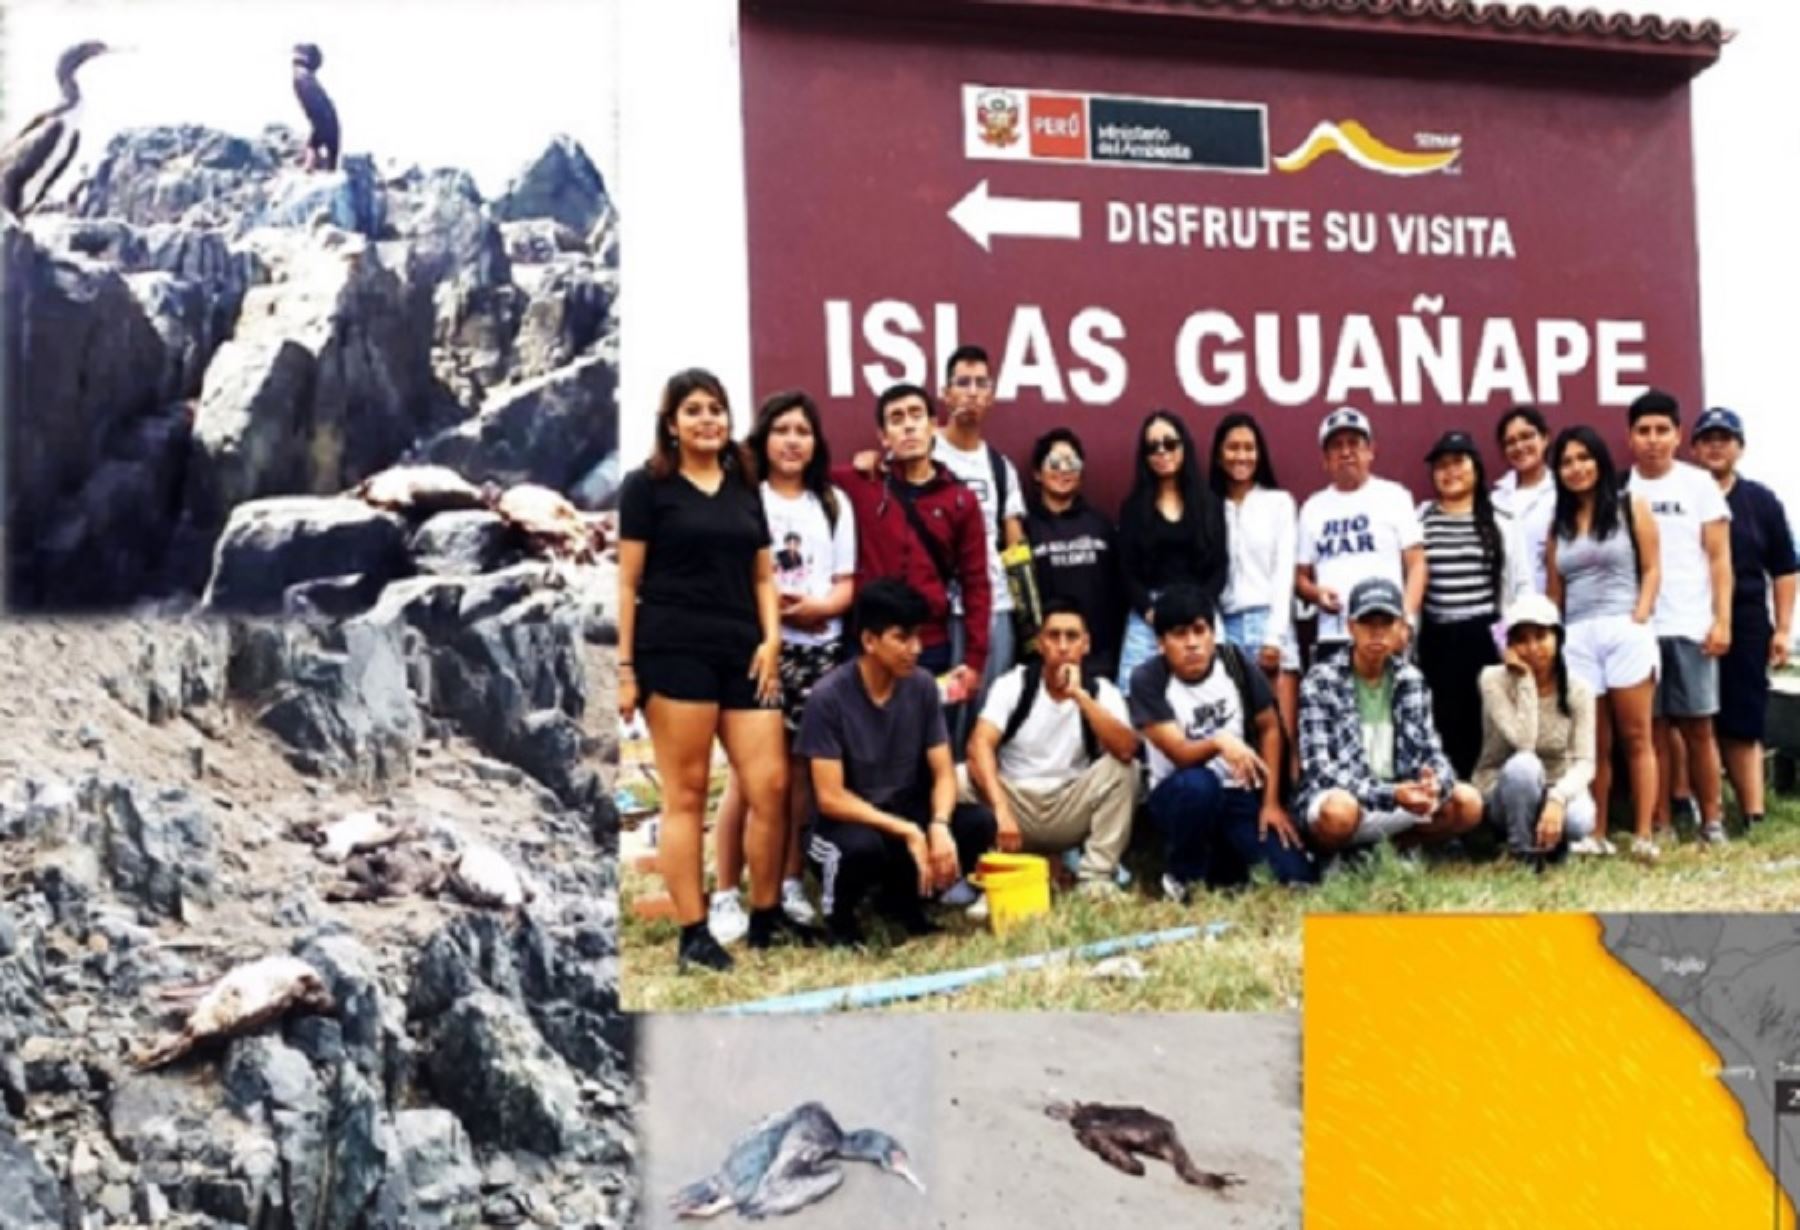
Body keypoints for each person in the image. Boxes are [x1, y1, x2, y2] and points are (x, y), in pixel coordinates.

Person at [617, 369, 815, 972]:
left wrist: (772, 641)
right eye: (694, 411)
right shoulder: (646, 487)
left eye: (717, 410)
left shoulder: (742, 484)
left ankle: (765, 916)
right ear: (671, 424)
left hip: (744, 651)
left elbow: (763, 575)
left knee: (771, 786)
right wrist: (626, 668)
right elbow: (627, 581)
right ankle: (694, 933)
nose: (708, 420)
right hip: (673, 651)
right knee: (689, 793)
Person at [708, 391, 855, 943]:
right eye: (782, 430)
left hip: (820, 651)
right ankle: (725, 891)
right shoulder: (746, 498)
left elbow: (845, 583)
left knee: (796, 778)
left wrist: (820, 608)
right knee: (748, 779)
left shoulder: (832, 503)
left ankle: (789, 883)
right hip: (762, 650)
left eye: (804, 430)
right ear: (763, 438)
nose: (793, 440)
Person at [798, 579, 998, 946]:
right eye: (902, 638)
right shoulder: (829, 697)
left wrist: (938, 824)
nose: (916, 649)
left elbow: (943, 772)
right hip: (846, 823)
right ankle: (840, 918)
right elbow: (830, 797)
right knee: (860, 848)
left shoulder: (921, 686)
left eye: (918, 637)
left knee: (977, 824)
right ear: (869, 641)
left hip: (905, 811)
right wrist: (905, 830)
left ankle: (904, 901)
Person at [1130, 584, 1315, 899]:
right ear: (1161, 643)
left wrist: (1270, 803)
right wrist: (1219, 742)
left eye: (1200, 631)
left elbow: (1270, 726)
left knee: (1296, 877)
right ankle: (1182, 878)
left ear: (1213, 634)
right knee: (1200, 785)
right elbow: (1180, 754)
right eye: (1179, 634)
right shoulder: (1148, 679)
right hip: (1178, 794)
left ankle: (1224, 867)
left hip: (1237, 793)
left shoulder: (1234, 663)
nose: (1192, 644)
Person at [961, 598, 1139, 896]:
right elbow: (979, 745)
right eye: (1053, 636)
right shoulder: (1013, 684)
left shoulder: (1101, 692)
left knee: (1125, 770)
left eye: (1072, 637)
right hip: (1014, 803)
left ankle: (1096, 877)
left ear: (1086, 644)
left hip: (1069, 803)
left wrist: (1080, 697)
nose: (1063, 645)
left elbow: (1126, 749)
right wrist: (1001, 810)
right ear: (1040, 643)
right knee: (959, 778)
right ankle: (983, 873)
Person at [1297, 577, 1484, 851]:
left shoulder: (1411, 678)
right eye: (1367, 623)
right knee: (1338, 813)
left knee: (1469, 803)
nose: (1377, 633)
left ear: (1400, 628)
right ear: (1351, 627)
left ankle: (1387, 851)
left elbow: (1432, 751)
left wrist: (1434, 785)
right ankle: (1344, 853)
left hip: (1399, 796)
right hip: (1352, 797)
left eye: (1386, 623)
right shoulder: (1321, 679)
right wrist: (1390, 794)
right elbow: (1319, 770)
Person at [1544, 425, 1662, 859]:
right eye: (1567, 462)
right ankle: (1595, 832)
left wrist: (1640, 616)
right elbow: (1555, 592)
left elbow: (1651, 568)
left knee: (1637, 736)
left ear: (1600, 460)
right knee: (1592, 745)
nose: (1576, 469)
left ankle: (1645, 834)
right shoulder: (1557, 525)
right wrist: (1553, 640)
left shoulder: (1633, 504)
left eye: (1583, 458)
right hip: (1577, 636)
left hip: (1624, 629)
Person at [1626, 389, 1733, 844]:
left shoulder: (1699, 484)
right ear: (1629, 437)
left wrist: (1721, 619)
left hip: (1691, 625)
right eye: (1643, 431)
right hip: (1640, 628)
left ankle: (1713, 820)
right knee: (1652, 731)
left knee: (1698, 728)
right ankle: (1663, 820)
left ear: (1677, 435)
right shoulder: (1620, 488)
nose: (1652, 440)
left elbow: (1719, 558)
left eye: (1661, 430)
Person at [834, 383, 991, 693]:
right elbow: (795, 472)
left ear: (933, 425)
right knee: (862, 740)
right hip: (868, 643)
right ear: (883, 436)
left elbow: (976, 583)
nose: (908, 425)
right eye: (896, 418)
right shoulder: (860, 483)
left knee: (927, 739)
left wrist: (974, 661)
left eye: (916, 415)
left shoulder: (961, 500)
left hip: (927, 646)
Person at [1690, 406, 1797, 828]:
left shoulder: (1760, 501)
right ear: (1694, 446)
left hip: (1748, 618)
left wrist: (1784, 628)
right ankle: (1698, 811)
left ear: (1740, 447)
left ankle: (1753, 812)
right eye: (1708, 438)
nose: (1716, 445)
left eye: (1725, 438)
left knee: (1744, 718)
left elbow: (1785, 568)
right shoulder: (1683, 492)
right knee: (1694, 720)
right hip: (1691, 618)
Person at [1415, 430, 1529, 778]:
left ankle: (1486, 810)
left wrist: (1510, 642)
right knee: (1442, 723)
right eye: (1442, 465)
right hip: (1436, 637)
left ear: (1476, 468)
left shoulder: (1501, 520)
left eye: (1458, 462)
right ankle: (1452, 811)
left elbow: (1520, 586)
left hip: (1484, 635)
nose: (1450, 472)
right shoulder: (1420, 520)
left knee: (1487, 722)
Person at [934, 344, 1027, 699]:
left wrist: (1028, 619)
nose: (971, 392)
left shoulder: (1002, 469)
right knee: (939, 715)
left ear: (991, 396)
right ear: (945, 393)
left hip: (994, 609)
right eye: (962, 382)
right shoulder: (922, 451)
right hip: (937, 610)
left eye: (981, 384)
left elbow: (1015, 548)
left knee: (985, 710)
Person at [1473, 593, 1598, 858]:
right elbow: (1524, 743)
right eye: (1521, 640)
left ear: (1558, 638)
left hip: (1556, 785)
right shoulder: (1493, 680)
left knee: (1579, 820)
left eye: (1541, 636)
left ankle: (1551, 843)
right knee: (1524, 765)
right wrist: (1526, 680)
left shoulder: (1579, 689)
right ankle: (1522, 851)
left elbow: (1585, 761)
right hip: (1504, 788)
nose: (1532, 648)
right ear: (1509, 645)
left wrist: (1558, 797)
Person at [1295, 406, 1426, 658]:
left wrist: (1406, 621)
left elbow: (1417, 565)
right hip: (1333, 635)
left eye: (1354, 443)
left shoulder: (1395, 496)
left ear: (1370, 451)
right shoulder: (1312, 507)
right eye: (1336, 445)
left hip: (1385, 633)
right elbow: (1301, 578)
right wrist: (1316, 593)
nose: (1346, 452)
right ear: (1325, 459)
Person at [1116, 411, 1228, 696]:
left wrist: (1199, 610)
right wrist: (1153, 614)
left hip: (1200, 610)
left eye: (1169, 443)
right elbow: (1125, 572)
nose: (1162, 452)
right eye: (1152, 447)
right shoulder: (1132, 508)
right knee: (1135, 696)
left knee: (1215, 695)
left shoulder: (1210, 504)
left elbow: (1220, 565)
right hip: (1149, 614)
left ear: (1184, 446)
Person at [1209, 412, 1301, 752]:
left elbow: (1283, 574)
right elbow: (1205, 578)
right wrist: (1216, 638)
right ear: (1219, 455)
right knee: (1236, 738)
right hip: (1225, 626)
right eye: (1232, 448)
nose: (1241, 456)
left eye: (1249, 448)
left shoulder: (1278, 503)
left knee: (1282, 733)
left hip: (1270, 623)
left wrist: (1274, 638)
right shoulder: (1207, 507)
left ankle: (1287, 802)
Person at [1022, 427, 1125, 680]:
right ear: (1037, 473)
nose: (1064, 469)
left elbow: (1119, 590)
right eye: (1055, 462)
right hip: (1045, 661)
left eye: (1072, 463)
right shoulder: (1024, 529)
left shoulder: (1101, 524)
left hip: (1099, 660)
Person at [1491, 404, 1556, 592]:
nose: (1519, 447)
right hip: (1510, 610)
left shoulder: (1564, 492)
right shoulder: (1495, 501)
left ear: (1545, 438)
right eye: (1510, 442)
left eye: (1527, 436)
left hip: (1556, 607)